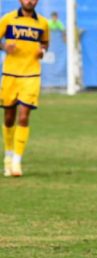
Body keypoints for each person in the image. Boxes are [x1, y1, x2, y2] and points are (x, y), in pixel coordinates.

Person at [0, 0, 48, 178]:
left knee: (24, 115)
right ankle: (8, 154)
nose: (30, 1)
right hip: (10, 75)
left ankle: (16, 162)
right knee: (9, 117)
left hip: (31, 75)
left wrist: (42, 51)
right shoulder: (8, 19)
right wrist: (5, 47)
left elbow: (44, 43)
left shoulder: (42, 23)